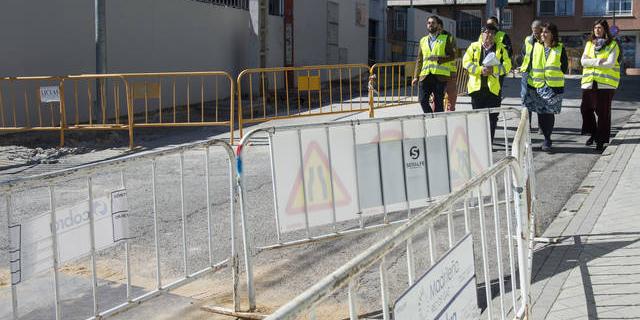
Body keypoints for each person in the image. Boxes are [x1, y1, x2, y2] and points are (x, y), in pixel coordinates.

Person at [463, 24, 512, 142]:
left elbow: (507, 65)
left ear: (495, 35)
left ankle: (489, 143)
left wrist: (494, 70)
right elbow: (466, 62)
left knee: (492, 118)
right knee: (478, 118)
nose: (489, 35)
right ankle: (479, 143)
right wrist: (480, 70)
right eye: (486, 32)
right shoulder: (473, 47)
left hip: (493, 90)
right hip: (476, 90)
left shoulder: (500, 48)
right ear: (482, 34)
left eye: (492, 33)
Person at [523, 22, 568, 152]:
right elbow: (529, 63)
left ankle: (548, 139)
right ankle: (546, 138)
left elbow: (564, 67)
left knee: (549, 113)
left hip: (554, 86)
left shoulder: (559, 48)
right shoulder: (536, 46)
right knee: (541, 113)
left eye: (546, 32)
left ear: (553, 34)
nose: (543, 34)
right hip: (538, 85)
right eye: (542, 32)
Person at [580, 19, 621, 151]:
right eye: (595, 28)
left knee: (603, 113)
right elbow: (582, 62)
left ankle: (601, 140)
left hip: (606, 84)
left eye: (600, 28)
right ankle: (593, 133)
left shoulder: (613, 44)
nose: (597, 30)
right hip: (589, 82)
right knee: (585, 109)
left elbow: (610, 63)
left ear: (605, 29)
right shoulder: (589, 44)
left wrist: (590, 61)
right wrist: (598, 61)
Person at [412, 15, 456, 113]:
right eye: (429, 23)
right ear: (427, 25)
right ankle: (430, 118)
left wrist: (438, 58)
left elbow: (452, 56)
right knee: (422, 100)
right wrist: (415, 76)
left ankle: (437, 123)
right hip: (425, 76)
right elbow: (419, 59)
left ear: (437, 25)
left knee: (438, 102)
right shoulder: (423, 40)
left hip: (439, 76)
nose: (431, 25)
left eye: (433, 23)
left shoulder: (445, 39)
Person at [520, 20, 543, 130]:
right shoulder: (528, 39)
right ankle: (527, 125)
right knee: (525, 99)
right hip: (527, 72)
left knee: (539, 99)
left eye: (537, 32)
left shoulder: (545, 41)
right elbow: (524, 53)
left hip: (539, 74)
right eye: (534, 32)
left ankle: (541, 126)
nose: (536, 34)